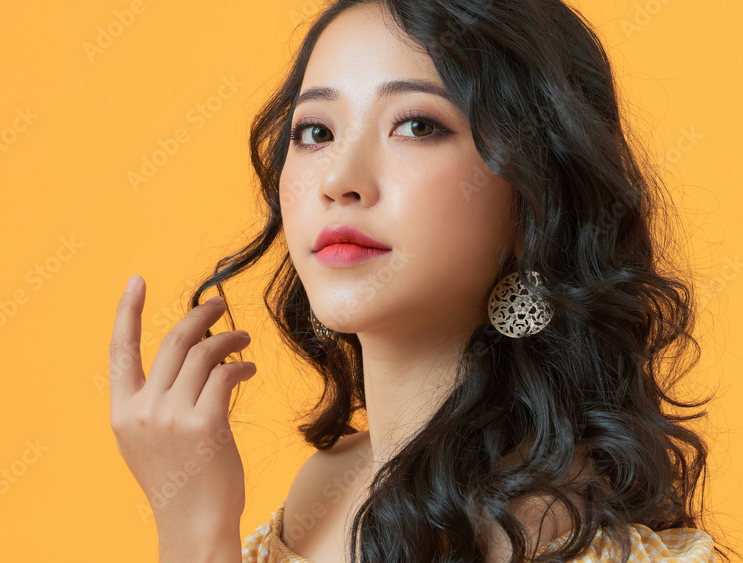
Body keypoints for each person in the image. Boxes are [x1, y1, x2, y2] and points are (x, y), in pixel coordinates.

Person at [108, 0, 731, 561]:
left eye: (417, 126)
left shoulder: (531, 523)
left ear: (535, 199)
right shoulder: (325, 484)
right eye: (315, 132)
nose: (338, 179)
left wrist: (194, 533)